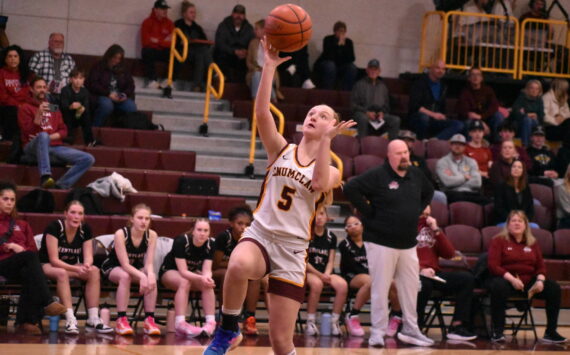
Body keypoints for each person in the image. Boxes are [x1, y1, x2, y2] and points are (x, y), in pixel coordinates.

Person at [204, 38, 354, 355]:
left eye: (323, 115)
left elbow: (317, 180)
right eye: (312, 112)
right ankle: (228, 331)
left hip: (292, 250)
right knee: (237, 264)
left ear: (333, 126)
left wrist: (327, 142)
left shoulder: (334, 169)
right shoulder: (281, 150)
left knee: (281, 342)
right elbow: (261, 113)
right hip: (261, 234)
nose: (313, 115)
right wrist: (269, 67)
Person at [344, 139, 435, 347]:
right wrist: (368, 213)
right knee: (380, 287)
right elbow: (350, 188)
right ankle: (377, 332)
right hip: (381, 242)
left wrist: (417, 209)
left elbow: (429, 191)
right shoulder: (377, 175)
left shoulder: (416, 174)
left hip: (408, 243)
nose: (404, 156)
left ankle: (411, 329)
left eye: (406, 152)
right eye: (399, 153)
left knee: (411, 287)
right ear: (389, 156)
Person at [486, 210, 567, 343]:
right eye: (513, 221)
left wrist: (540, 280)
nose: (517, 223)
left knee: (553, 288)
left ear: (525, 225)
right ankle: (498, 331)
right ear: (508, 224)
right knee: (498, 286)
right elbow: (493, 266)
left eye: (520, 221)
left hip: (528, 282)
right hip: (507, 280)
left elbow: (541, 266)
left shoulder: (532, 243)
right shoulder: (498, 241)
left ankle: (550, 332)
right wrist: (512, 279)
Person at [0, 181, 66, 335]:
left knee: (30, 271)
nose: (9, 202)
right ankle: (47, 301)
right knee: (30, 261)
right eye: (5, 199)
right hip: (2, 262)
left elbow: (33, 250)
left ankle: (25, 322)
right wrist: (8, 247)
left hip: (20, 264)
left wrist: (21, 250)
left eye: (12, 199)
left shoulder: (22, 224)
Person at [38, 201, 112, 334]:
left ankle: (93, 318)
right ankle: (70, 319)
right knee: (61, 273)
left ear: (83, 216)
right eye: (72, 212)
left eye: (80, 213)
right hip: (46, 266)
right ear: (65, 214)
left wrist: (87, 265)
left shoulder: (85, 230)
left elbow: (88, 256)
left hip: (70, 267)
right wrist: (77, 269)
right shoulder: (54, 227)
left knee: (94, 271)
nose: (76, 216)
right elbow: (54, 260)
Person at [18, 77, 95, 189]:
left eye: (44, 87)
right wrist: (39, 114)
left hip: (54, 147)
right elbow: (27, 132)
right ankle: (45, 176)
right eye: (39, 87)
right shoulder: (25, 107)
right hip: (32, 146)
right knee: (42, 136)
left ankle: (61, 185)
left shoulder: (53, 108)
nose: (42, 90)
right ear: (31, 89)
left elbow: (64, 131)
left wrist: (47, 138)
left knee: (88, 159)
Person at [416, 205, 476, 340]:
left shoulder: (433, 229)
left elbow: (449, 254)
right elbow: (400, 256)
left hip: (434, 274)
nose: (426, 215)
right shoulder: (405, 227)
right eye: (423, 212)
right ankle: (416, 326)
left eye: (427, 211)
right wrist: (420, 269)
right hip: (413, 273)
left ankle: (457, 326)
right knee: (424, 284)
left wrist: (437, 230)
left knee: (466, 279)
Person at [100, 204, 160, 336]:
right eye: (140, 218)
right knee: (125, 276)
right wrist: (142, 276)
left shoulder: (152, 235)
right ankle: (121, 319)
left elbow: (149, 263)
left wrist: (149, 274)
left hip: (134, 269)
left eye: (147, 218)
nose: (144, 222)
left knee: (152, 277)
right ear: (132, 219)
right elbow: (125, 264)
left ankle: (149, 319)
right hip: (113, 267)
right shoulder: (121, 234)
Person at [212, 205, 264, 336]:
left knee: (255, 277)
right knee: (228, 274)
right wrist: (238, 265)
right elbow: (216, 264)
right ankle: (225, 317)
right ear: (231, 223)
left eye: (247, 224)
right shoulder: (224, 237)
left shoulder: (252, 239)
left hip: (241, 272)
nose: (243, 227)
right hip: (216, 271)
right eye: (240, 223)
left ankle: (249, 318)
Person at [160, 218, 216, 338]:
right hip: (170, 271)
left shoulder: (211, 243)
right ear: (193, 231)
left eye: (206, 230)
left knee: (208, 283)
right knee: (185, 282)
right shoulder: (181, 241)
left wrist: (207, 278)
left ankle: (211, 323)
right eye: (199, 230)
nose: (202, 233)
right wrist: (201, 278)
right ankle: (180, 323)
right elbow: (183, 271)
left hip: (191, 275)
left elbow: (207, 270)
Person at [305, 206, 348, 337]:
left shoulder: (331, 237)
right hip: (309, 272)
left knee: (342, 285)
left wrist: (327, 274)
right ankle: (310, 322)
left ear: (327, 217)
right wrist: (320, 275)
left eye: (322, 214)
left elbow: (331, 260)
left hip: (325, 272)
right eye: (316, 214)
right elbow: (304, 261)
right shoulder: (307, 234)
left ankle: (334, 322)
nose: (319, 217)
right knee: (317, 284)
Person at [338, 215, 374, 337]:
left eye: (356, 223)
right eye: (349, 225)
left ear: (362, 225)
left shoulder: (370, 243)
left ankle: (396, 316)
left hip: (370, 276)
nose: (353, 227)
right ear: (346, 230)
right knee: (369, 281)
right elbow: (351, 266)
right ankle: (352, 314)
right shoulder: (344, 244)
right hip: (352, 276)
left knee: (393, 283)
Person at [408, 60, 464, 140]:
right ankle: (422, 141)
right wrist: (433, 114)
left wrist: (442, 116)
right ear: (431, 69)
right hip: (419, 117)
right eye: (438, 68)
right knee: (424, 118)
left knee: (458, 124)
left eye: (443, 69)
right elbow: (415, 106)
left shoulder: (443, 86)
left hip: (435, 119)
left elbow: (442, 107)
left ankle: (435, 140)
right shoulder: (420, 83)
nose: (441, 71)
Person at [86, 44, 136, 127]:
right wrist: (108, 94)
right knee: (107, 105)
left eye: (119, 58)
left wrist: (124, 94)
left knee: (131, 106)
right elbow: (93, 84)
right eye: (115, 57)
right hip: (102, 95)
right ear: (109, 56)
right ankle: (95, 127)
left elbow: (131, 85)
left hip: (119, 96)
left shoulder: (123, 68)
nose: (116, 60)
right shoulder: (98, 66)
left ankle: (122, 130)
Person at [351, 59, 400, 139]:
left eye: (375, 69)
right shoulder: (359, 85)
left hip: (378, 115)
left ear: (379, 71)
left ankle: (393, 146)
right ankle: (362, 144)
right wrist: (367, 112)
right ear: (367, 70)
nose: (373, 71)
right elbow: (353, 105)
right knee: (362, 118)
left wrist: (382, 113)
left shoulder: (383, 87)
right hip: (363, 113)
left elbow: (386, 105)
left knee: (395, 120)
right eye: (371, 69)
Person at [0, 44, 33, 162]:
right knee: (14, 110)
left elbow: (30, 94)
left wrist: (24, 105)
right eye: (9, 56)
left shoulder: (27, 74)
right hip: (7, 108)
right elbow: (3, 97)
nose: (13, 59)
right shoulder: (1, 73)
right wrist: (18, 104)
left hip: (25, 107)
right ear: (5, 59)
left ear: (20, 58)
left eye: (15, 56)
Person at [435, 134, 487, 204]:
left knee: (488, 202)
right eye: (455, 143)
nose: (458, 146)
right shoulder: (442, 162)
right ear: (450, 145)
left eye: (461, 144)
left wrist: (455, 180)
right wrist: (464, 178)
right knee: (458, 197)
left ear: (465, 147)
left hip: (470, 193)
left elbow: (477, 183)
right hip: (452, 194)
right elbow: (447, 183)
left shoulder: (471, 161)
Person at [174, 1, 212, 92]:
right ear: (184, 14)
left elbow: (204, 41)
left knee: (201, 54)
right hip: (183, 52)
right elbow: (175, 42)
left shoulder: (197, 27)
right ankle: (210, 76)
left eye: (194, 12)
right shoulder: (178, 25)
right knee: (202, 54)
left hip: (196, 52)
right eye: (191, 12)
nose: (193, 14)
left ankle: (197, 85)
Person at [457, 67, 504, 141]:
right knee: (468, 123)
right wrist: (480, 122)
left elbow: (494, 106)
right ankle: (471, 146)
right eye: (473, 75)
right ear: (469, 78)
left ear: (482, 78)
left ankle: (498, 143)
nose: (476, 77)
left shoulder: (488, 90)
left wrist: (482, 117)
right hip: (472, 120)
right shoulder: (465, 92)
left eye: (478, 75)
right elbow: (465, 111)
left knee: (498, 116)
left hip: (485, 117)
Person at [213, 4, 254, 83]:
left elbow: (252, 44)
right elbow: (220, 44)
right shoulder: (223, 25)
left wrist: (245, 52)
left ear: (244, 16)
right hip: (226, 56)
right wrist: (234, 51)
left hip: (242, 58)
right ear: (232, 14)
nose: (238, 16)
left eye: (241, 14)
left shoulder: (249, 28)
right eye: (236, 13)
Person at [28, 33, 75, 98]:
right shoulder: (39, 56)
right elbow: (31, 77)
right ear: (49, 43)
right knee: (50, 106)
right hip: (45, 94)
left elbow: (75, 77)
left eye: (61, 42)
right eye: (56, 41)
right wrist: (44, 86)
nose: (58, 44)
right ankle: (53, 108)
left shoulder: (69, 59)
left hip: (64, 95)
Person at [314, 21, 358, 91]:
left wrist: (343, 47)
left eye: (343, 31)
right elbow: (328, 56)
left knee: (352, 67)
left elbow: (351, 58)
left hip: (341, 66)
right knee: (331, 66)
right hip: (327, 64)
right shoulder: (328, 39)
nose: (341, 33)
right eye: (339, 31)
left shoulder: (349, 42)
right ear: (335, 31)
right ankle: (328, 92)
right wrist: (337, 45)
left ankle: (347, 93)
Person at [494, 159, 538, 228]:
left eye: (519, 167)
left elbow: (530, 207)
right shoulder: (501, 186)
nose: (516, 169)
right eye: (514, 166)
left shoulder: (526, 187)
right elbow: (498, 207)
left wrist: (524, 220)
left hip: (522, 221)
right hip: (506, 221)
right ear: (510, 169)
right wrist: (513, 219)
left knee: (535, 227)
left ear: (523, 171)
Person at [141, 0, 174, 89]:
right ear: (155, 10)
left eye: (166, 9)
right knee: (147, 51)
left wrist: (157, 41)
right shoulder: (147, 22)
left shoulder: (170, 23)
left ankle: (167, 80)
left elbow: (172, 42)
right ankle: (152, 80)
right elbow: (146, 42)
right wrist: (163, 41)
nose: (165, 11)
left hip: (163, 50)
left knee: (175, 54)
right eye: (162, 9)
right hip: (151, 50)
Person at [59, 68, 95, 146]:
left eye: (80, 78)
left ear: (83, 80)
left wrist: (81, 109)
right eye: (75, 78)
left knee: (86, 115)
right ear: (71, 79)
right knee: (67, 113)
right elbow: (63, 106)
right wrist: (71, 106)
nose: (78, 81)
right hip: (67, 115)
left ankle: (89, 141)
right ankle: (69, 137)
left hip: (78, 115)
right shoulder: (65, 90)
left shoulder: (85, 91)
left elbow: (86, 106)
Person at [246, 20, 279, 101]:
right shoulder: (253, 43)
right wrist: (256, 68)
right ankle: (259, 98)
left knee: (264, 76)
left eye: (256, 29)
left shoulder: (273, 45)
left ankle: (270, 98)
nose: (254, 31)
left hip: (269, 72)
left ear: (264, 30)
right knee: (257, 74)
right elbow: (248, 61)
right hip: (255, 71)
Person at [511, 79, 544, 146]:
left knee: (532, 121)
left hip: (535, 123)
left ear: (539, 91)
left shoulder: (539, 100)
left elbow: (542, 115)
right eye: (532, 88)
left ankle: (533, 145)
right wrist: (527, 115)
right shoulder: (521, 98)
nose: (534, 91)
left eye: (537, 89)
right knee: (527, 120)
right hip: (521, 124)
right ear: (527, 89)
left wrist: (536, 116)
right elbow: (515, 113)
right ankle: (526, 146)